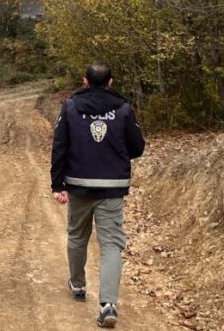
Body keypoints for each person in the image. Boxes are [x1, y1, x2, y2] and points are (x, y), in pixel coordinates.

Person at [50, 62, 146, 329]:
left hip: (79, 185)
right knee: (111, 244)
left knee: (77, 236)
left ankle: (78, 285)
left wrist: (57, 184)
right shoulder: (124, 110)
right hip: (112, 186)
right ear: (111, 82)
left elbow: (59, 147)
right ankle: (108, 305)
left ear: (85, 81)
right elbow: (138, 147)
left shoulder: (70, 108)